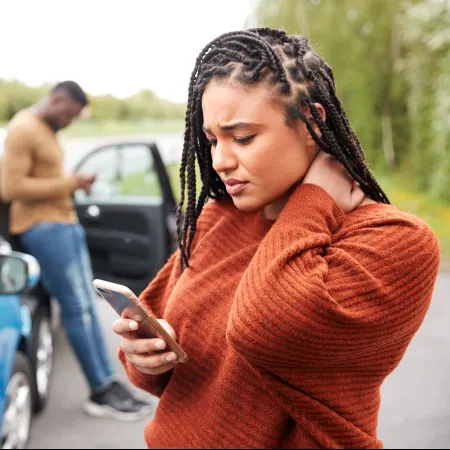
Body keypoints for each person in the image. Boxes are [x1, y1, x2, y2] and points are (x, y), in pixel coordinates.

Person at [113, 28, 440, 448]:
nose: (220, 161)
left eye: (243, 137)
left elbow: (264, 329)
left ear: (312, 123)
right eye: (212, 140)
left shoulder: (395, 241)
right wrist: (148, 360)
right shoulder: (217, 219)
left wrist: (313, 199)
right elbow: (169, 366)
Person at [0, 81, 152, 420]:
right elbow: (11, 187)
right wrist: (71, 183)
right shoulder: (24, 128)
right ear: (56, 100)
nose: (69, 122)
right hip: (44, 228)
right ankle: (100, 391)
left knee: (86, 306)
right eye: (67, 114)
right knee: (78, 310)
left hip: (63, 225)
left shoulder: (44, 129)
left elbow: (41, 178)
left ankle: (110, 383)